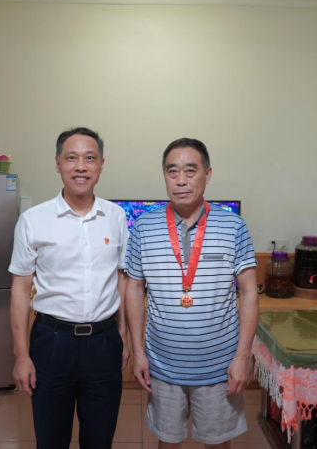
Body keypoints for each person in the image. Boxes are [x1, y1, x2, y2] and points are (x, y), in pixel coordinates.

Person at [125, 138, 259, 449]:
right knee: (168, 442)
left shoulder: (233, 226)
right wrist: (138, 352)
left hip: (219, 366)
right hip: (162, 366)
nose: (181, 180)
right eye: (172, 172)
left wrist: (241, 358)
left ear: (207, 174)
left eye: (190, 170)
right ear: (164, 176)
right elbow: (134, 288)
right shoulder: (143, 227)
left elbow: (249, 293)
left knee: (217, 443)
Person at [8, 127, 129, 449]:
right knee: (51, 439)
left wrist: (122, 336)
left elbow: (121, 280)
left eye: (89, 158)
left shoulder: (116, 217)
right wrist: (21, 355)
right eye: (71, 158)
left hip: (104, 343)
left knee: (100, 438)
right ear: (58, 163)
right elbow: (20, 289)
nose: (81, 167)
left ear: (101, 164)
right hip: (51, 343)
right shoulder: (33, 220)